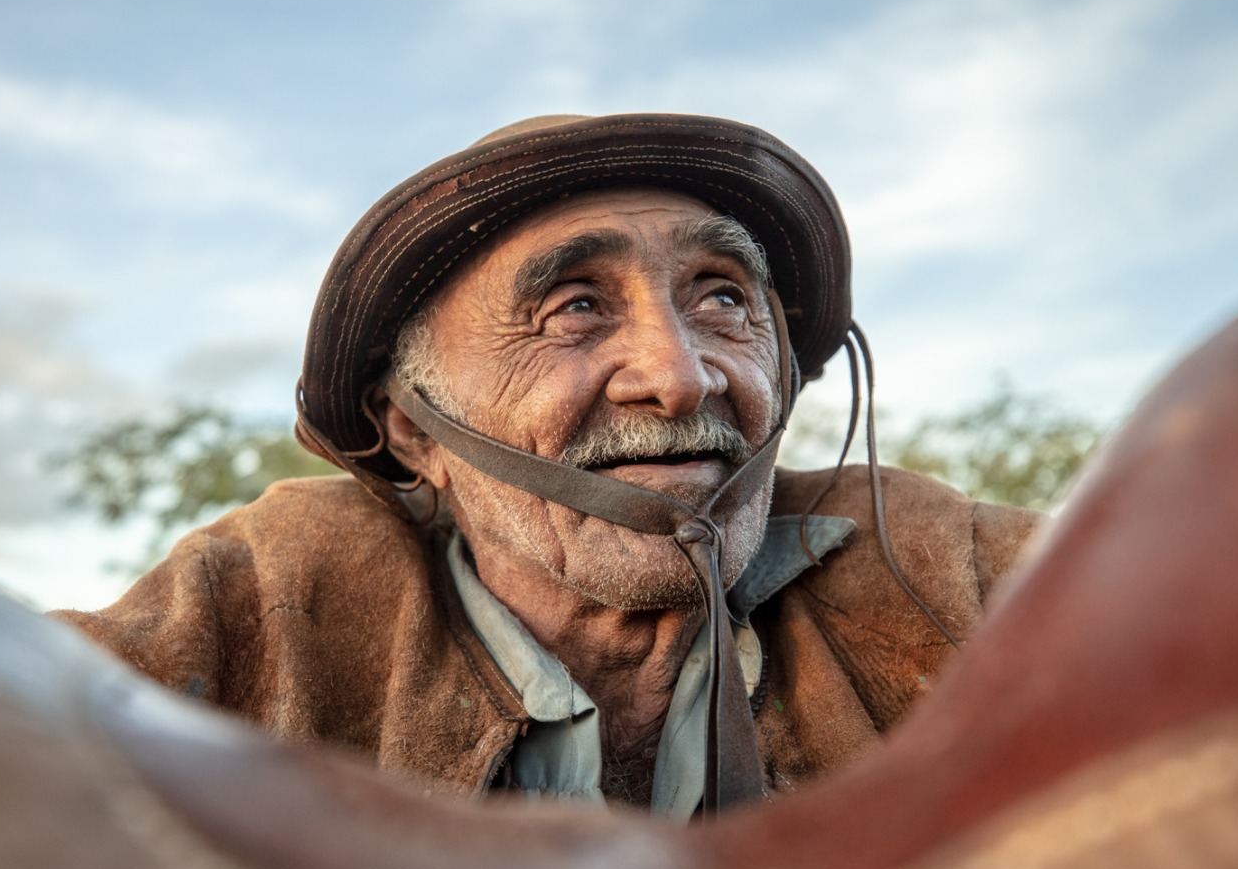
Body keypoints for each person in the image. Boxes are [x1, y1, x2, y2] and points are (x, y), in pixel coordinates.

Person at [54, 113, 1042, 818]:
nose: (679, 374)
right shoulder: (267, 597)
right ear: (412, 434)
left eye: (721, 298)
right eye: (575, 305)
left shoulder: (936, 563)